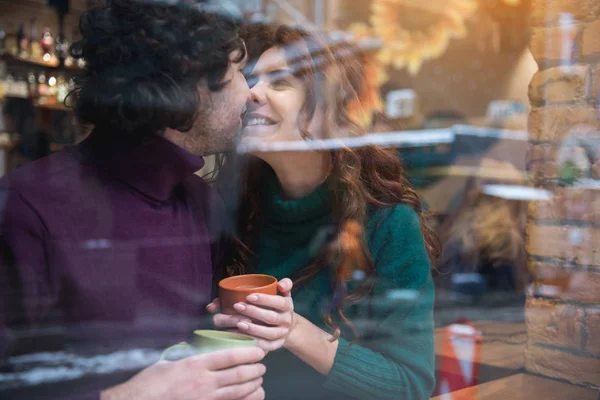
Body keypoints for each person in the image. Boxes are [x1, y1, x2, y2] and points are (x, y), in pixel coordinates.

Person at [0, 1, 266, 399]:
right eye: (236, 73)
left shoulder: (199, 200)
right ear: (190, 86)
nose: (252, 92)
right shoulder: (26, 207)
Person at [208, 24, 440, 400]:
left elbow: (410, 387)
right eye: (251, 79)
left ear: (333, 112)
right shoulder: (228, 206)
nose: (250, 92)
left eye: (279, 83)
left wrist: (293, 330)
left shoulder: (388, 224)